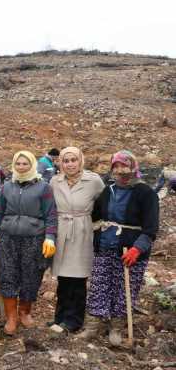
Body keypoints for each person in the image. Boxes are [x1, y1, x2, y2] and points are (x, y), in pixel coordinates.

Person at [78, 151, 159, 346]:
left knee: (124, 290)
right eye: (116, 166)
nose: (120, 170)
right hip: (105, 246)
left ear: (133, 167)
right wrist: (97, 230)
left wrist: (137, 249)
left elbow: (151, 228)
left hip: (130, 250)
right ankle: (92, 327)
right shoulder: (108, 190)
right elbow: (95, 215)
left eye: (124, 166)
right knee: (98, 286)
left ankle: (116, 327)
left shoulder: (146, 193)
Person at [0, 150, 57, 336]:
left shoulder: (44, 188)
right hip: (8, 238)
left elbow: (51, 215)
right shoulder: (7, 187)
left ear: (32, 165)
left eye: (25, 164)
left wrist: (50, 237)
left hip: (34, 239)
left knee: (31, 276)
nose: (21, 167)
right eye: (18, 164)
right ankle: (11, 317)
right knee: (7, 275)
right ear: (14, 165)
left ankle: (24, 312)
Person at [48, 147, 105, 333]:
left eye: (74, 160)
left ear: (80, 161)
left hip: (82, 229)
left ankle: (74, 320)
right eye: (66, 160)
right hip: (62, 229)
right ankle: (60, 316)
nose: (70, 164)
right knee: (63, 277)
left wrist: (96, 225)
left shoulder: (93, 181)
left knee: (78, 277)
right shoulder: (55, 181)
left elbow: (103, 203)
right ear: (60, 163)